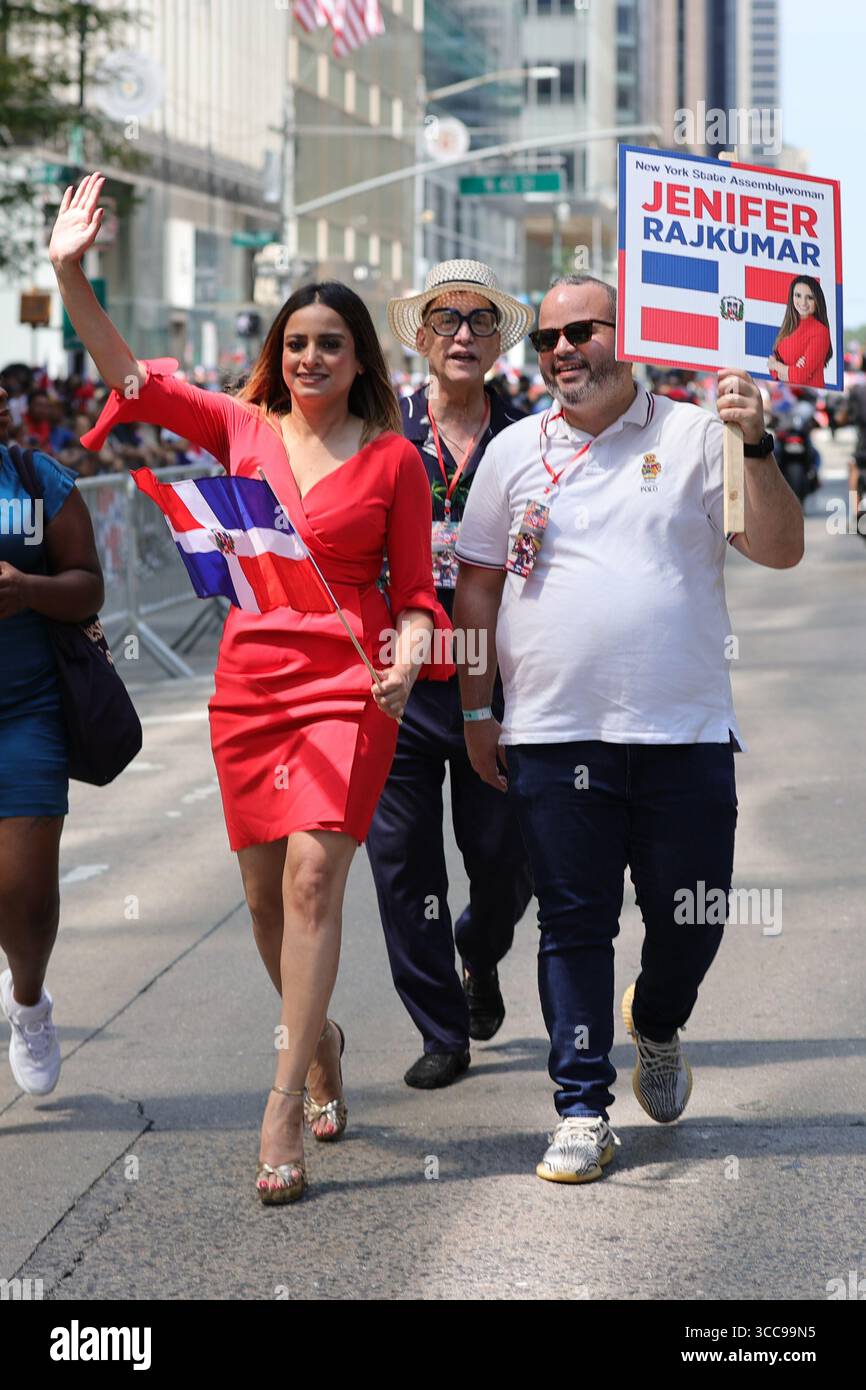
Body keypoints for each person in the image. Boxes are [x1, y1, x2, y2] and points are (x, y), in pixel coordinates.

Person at [50, 172, 448, 1206]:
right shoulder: (239, 428)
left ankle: (279, 1102)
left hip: (347, 691)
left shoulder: (397, 460)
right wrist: (68, 272)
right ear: (278, 353)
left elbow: (415, 595)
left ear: (360, 358)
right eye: (296, 341)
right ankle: (317, 1039)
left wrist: (409, 653)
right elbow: (129, 378)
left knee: (317, 880)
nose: (310, 355)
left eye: (330, 341)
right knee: (265, 897)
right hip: (249, 686)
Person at [454, 274, 804, 1184]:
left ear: (630, 334)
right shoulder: (513, 452)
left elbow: (779, 545)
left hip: (682, 732)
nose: (563, 350)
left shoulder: (699, 433)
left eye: (583, 331)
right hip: (553, 734)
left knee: (695, 914)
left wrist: (755, 442)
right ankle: (579, 1106)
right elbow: (477, 589)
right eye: (548, 339)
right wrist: (478, 710)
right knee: (574, 923)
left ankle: (654, 1018)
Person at [367, 261, 534, 1089]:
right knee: (402, 867)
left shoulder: (536, 437)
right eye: (446, 319)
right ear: (423, 336)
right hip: (397, 678)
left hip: (497, 680)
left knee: (505, 860)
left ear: (500, 338)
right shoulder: (377, 430)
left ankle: (481, 945)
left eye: (479, 320)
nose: (463, 334)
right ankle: (442, 1030)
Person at [0, 385, 105, 1096]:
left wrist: (28, 590)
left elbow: (89, 587)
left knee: (25, 891)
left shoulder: (37, 480)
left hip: (25, 709)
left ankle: (29, 1003)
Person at [768, 276, 833, 388]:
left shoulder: (820, 331)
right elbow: (772, 370)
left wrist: (777, 366)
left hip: (809, 398)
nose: (803, 302)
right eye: (798, 295)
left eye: (810, 297)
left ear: (817, 300)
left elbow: (800, 376)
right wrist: (790, 370)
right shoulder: (789, 326)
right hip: (786, 394)